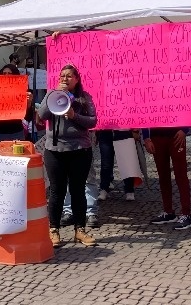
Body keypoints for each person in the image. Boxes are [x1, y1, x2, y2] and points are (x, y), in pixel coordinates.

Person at [37, 64, 98, 247]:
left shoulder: (84, 99)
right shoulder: (52, 94)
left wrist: (73, 115)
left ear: (77, 79)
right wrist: (53, 95)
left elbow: (93, 121)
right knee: (57, 191)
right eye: (62, 76)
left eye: (69, 76)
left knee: (78, 190)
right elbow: (42, 115)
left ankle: (80, 230)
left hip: (79, 150)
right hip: (55, 151)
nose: (65, 78)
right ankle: (53, 229)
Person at [144, 125, 191, 229]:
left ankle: (186, 214)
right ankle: (168, 212)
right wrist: (146, 137)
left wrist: (185, 130)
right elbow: (144, 113)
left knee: (181, 175)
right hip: (156, 135)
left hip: (176, 134)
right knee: (163, 175)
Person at [97, 130, 137, 201]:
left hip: (124, 131)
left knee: (126, 163)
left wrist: (135, 130)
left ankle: (129, 190)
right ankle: (104, 188)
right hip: (105, 132)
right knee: (106, 163)